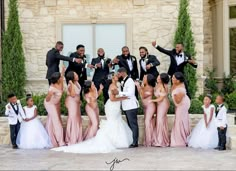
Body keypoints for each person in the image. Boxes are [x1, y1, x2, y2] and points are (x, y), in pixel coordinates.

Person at [51, 73, 133, 153]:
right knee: (94, 123)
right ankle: (88, 139)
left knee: (92, 123)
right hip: (90, 108)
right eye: (92, 85)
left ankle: (89, 137)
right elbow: (91, 102)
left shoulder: (91, 90)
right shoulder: (87, 93)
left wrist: (99, 90)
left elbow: (96, 97)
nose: (94, 86)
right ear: (89, 88)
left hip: (95, 107)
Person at [117, 67, 139, 148]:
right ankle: (132, 140)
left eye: (118, 73)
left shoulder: (129, 81)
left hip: (131, 106)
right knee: (130, 124)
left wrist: (119, 93)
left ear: (122, 72)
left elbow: (130, 93)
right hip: (126, 106)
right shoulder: (123, 81)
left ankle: (135, 142)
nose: (118, 75)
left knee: (133, 124)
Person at [44, 69, 66, 147]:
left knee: (51, 121)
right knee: (56, 121)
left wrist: (62, 72)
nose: (62, 78)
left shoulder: (60, 82)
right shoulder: (52, 88)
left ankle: (50, 139)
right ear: (57, 79)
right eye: (60, 77)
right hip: (50, 104)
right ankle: (61, 142)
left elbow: (62, 78)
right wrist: (50, 94)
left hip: (55, 103)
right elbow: (47, 99)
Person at [170, 72, 190, 147]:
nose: (172, 79)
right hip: (180, 104)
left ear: (178, 80)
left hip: (182, 105)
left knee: (180, 120)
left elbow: (178, 100)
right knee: (178, 119)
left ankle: (180, 139)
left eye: (174, 78)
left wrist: (174, 95)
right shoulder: (176, 85)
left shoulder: (181, 88)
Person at [135, 74, 156, 147]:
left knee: (147, 122)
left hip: (150, 106)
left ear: (148, 80)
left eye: (144, 77)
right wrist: (140, 87)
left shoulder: (150, 87)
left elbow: (142, 96)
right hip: (146, 107)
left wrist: (138, 86)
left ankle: (149, 141)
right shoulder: (144, 87)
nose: (143, 78)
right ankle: (149, 139)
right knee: (148, 123)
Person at [151, 73, 170, 147]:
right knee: (160, 120)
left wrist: (152, 101)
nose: (157, 79)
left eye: (159, 78)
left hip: (163, 104)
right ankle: (160, 138)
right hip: (159, 104)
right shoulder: (157, 85)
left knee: (160, 120)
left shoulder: (164, 86)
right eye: (157, 78)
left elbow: (161, 98)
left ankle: (161, 140)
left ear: (162, 80)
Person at [65, 71, 83, 145]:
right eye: (75, 75)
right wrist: (71, 84)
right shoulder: (70, 84)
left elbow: (78, 93)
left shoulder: (77, 83)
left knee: (78, 119)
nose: (77, 75)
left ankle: (78, 137)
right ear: (72, 77)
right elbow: (72, 94)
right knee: (73, 119)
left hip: (76, 103)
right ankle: (72, 138)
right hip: (72, 103)